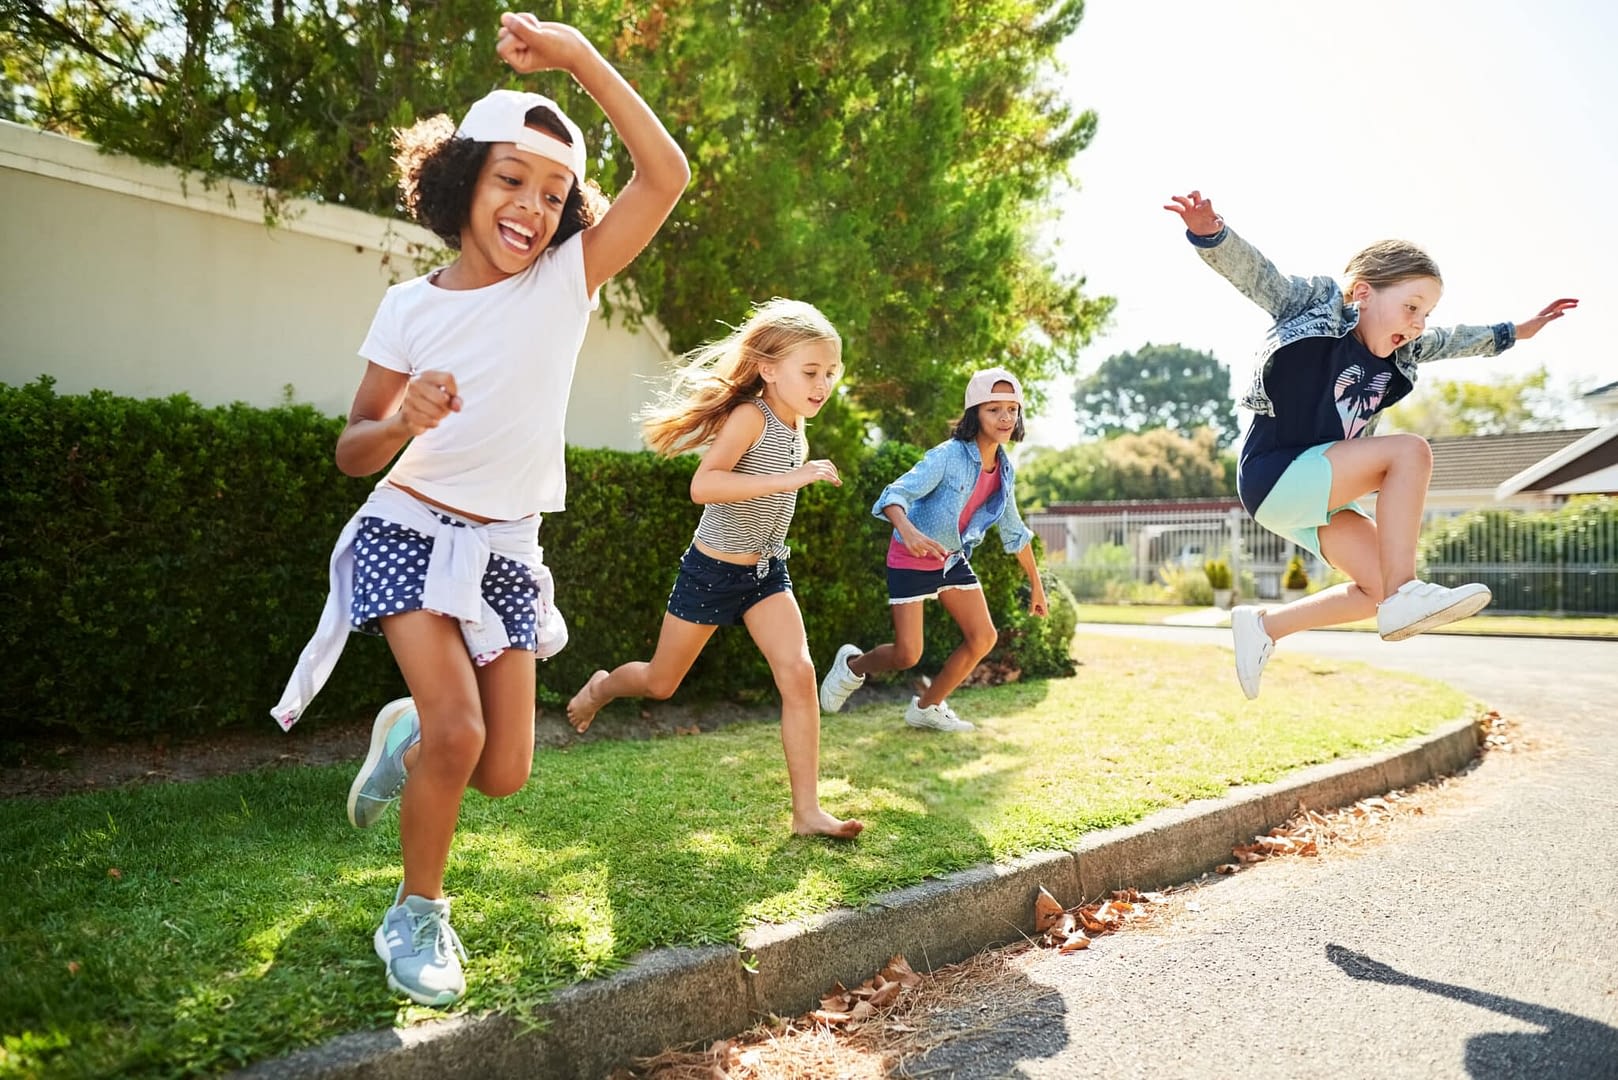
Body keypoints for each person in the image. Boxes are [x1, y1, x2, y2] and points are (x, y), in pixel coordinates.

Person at [270, 13, 689, 1007]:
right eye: (511, 179)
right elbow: (352, 449)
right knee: (461, 736)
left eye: (553, 193)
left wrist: (577, 56)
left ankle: (404, 736)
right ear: (460, 179)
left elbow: (665, 176)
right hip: (406, 529)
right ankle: (415, 914)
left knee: (501, 771)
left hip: (505, 550)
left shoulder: (564, 283)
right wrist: (401, 421)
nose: (532, 208)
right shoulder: (409, 307)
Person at [1163, 190, 1578, 699]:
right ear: (1362, 293)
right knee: (1410, 452)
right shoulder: (1315, 306)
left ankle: (1265, 626)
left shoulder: (1406, 351)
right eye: (1411, 307)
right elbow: (1260, 276)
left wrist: (1516, 332)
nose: (1418, 324)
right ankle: (1407, 592)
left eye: (1426, 313)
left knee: (1374, 587)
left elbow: (1453, 339)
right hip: (1275, 474)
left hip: (1314, 496)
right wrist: (1212, 234)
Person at [563, 299, 864, 840]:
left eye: (830, 372)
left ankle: (807, 813)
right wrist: (792, 478)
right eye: (811, 372)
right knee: (660, 682)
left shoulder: (796, 421)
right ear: (769, 369)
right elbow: (704, 485)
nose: (823, 384)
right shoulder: (752, 417)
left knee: (799, 675)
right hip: (712, 572)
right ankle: (602, 688)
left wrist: (792, 478)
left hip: (765, 574)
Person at [818, 368, 1048, 732]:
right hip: (911, 557)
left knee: (983, 637)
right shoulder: (948, 455)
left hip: (951, 559)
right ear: (975, 413)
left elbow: (1014, 530)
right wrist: (908, 532)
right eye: (994, 409)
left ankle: (927, 707)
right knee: (907, 654)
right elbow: (894, 495)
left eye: (1012, 409)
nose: (1005, 417)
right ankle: (851, 667)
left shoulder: (1004, 471)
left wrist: (1036, 584)